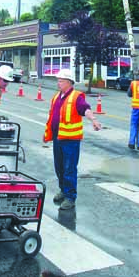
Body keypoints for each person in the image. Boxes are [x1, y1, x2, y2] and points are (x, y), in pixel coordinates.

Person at [43, 69, 102, 210]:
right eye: (58, 80)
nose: (58, 83)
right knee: (59, 167)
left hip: (71, 140)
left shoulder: (77, 97)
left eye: (61, 80)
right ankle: (63, 190)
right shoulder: (56, 96)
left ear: (69, 82)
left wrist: (93, 119)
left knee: (69, 168)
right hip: (58, 138)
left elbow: (85, 109)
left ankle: (70, 197)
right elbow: (52, 116)